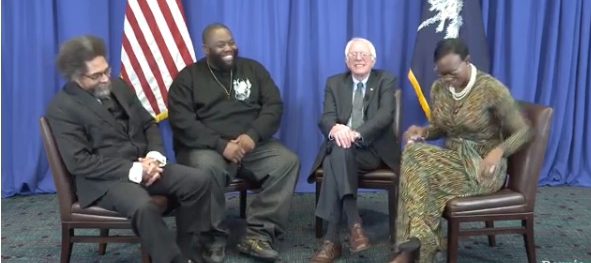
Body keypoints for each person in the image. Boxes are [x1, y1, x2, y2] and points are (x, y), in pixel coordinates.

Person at [45, 35, 212, 263]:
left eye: (106, 70)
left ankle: (186, 251)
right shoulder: (62, 108)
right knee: (143, 206)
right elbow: (79, 161)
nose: (105, 79)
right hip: (104, 181)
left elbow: (148, 123)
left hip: (144, 166)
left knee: (198, 181)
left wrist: (153, 157)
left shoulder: (119, 86)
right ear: (76, 77)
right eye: (96, 75)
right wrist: (134, 169)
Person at [389, 38, 533, 263]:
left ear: (467, 61)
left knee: (418, 170)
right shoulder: (438, 88)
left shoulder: (490, 88)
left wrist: (499, 150)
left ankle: (413, 251)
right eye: (441, 73)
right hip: (453, 161)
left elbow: (524, 131)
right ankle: (418, 245)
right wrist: (423, 132)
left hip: (483, 168)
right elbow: (441, 128)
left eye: (453, 73)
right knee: (413, 156)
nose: (447, 81)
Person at [167, 23, 300, 263]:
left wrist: (253, 134)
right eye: (221, 45)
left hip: (251, 146)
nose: (229, 48)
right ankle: (212, 239)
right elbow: (182, 121)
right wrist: (220, 145)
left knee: (287, 162)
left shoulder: (253, 69)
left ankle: (258, 235)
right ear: (206, 48)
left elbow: (273, 105)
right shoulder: (188, 78)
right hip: (206, 147)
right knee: (207, 169)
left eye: (231, 42)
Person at [307, 37, 401, 263]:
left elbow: (385, 115)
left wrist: (355, 134)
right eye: (353, 55)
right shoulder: (334, 82)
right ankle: (354, 227)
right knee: (339, 152)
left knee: (334, 159)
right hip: (342, 148)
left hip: (373, 150)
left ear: (373, 59)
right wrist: (335, 130)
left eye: (363, 54)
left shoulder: (385, 80)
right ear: (346, 60)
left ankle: (331, 241)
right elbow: (326, 117)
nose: (358, 58)